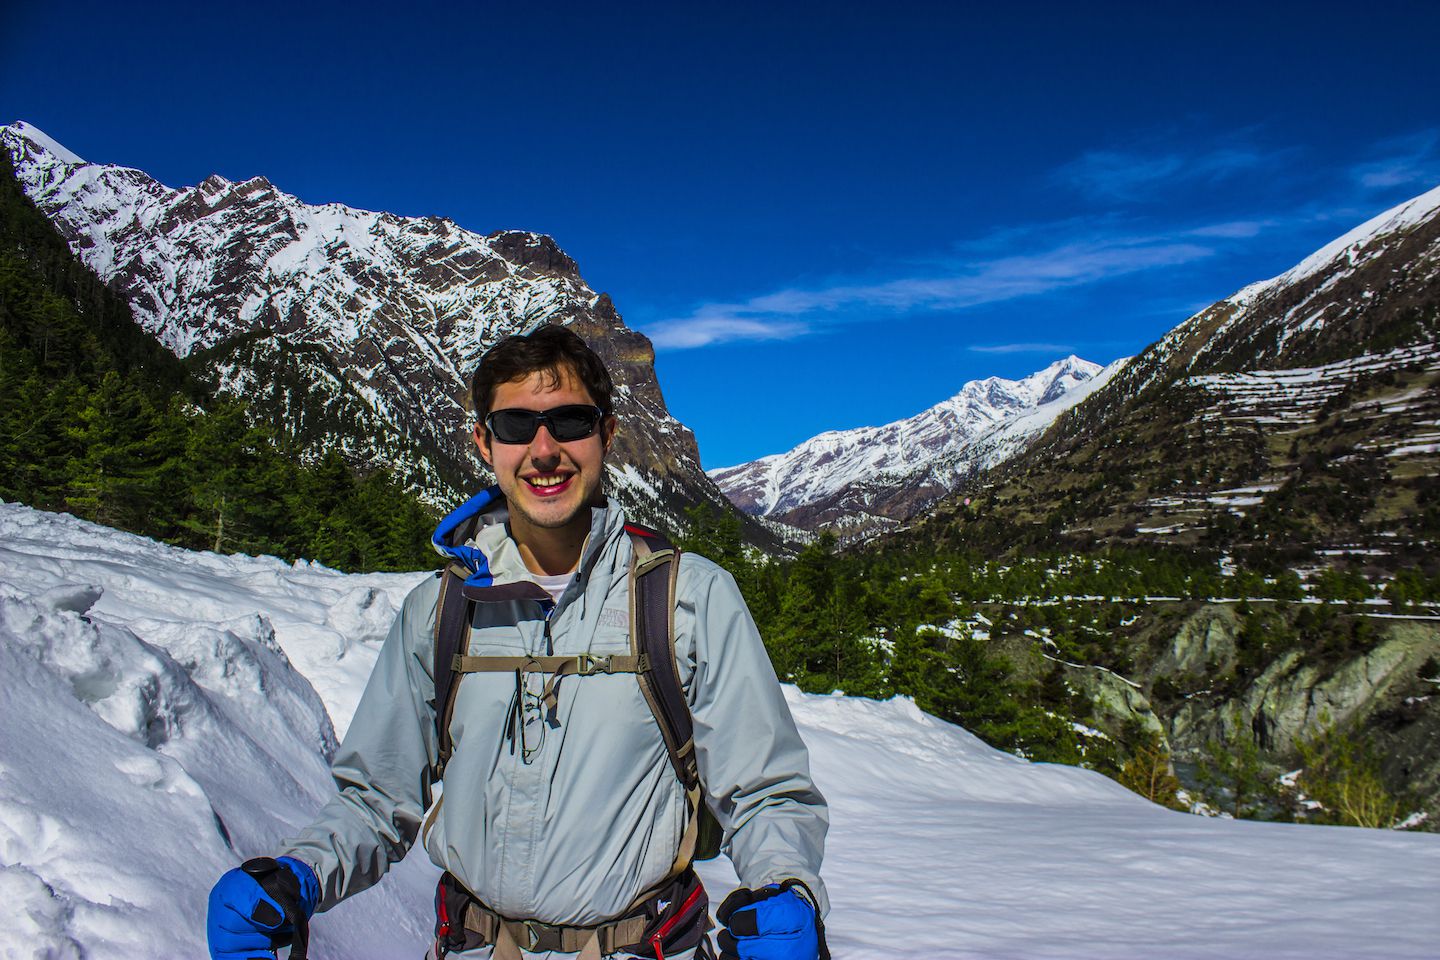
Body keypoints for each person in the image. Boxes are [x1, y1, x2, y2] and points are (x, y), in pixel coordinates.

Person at [207, 324, 830, 960]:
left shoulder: (687, 600)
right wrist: (296, 877)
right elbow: (377, 799)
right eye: (514, 426)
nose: (544, 449)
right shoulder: (441, 610)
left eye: (569, 422)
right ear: (484, 442)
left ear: (607, 434)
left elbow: (766, 793)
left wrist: (784, 889)